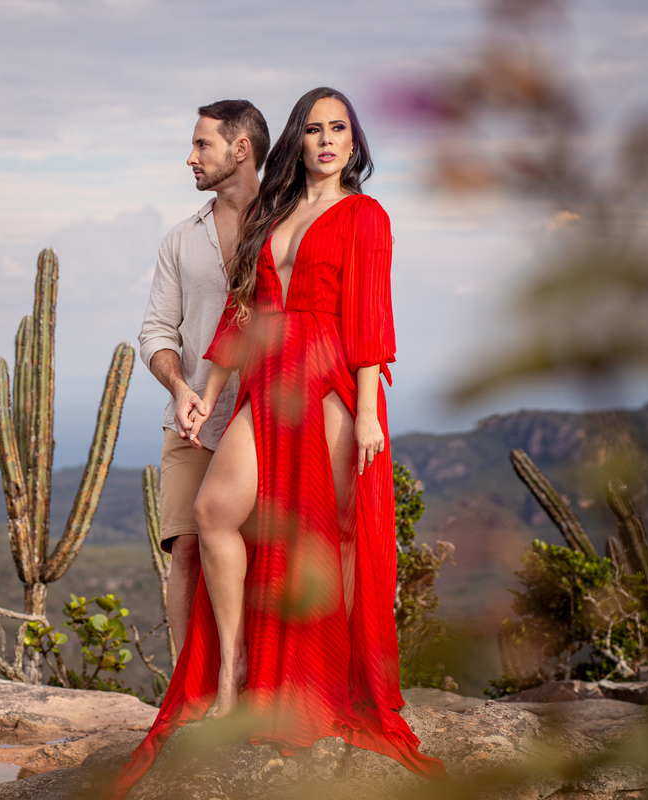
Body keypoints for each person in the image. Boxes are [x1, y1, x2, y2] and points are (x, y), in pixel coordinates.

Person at [108, 88, 446, 799]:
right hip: (269, 376)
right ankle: (233, 670)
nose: (328, 140)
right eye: (315, 129)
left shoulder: (365, 215)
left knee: (330, 538)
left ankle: (334, 681)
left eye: (340, 129)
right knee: (215, 512)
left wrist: (369, 413)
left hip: (327, 380)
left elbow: (368, 318)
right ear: (297, 138)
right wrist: (203, 387)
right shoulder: (276, 210)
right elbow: (245, 312)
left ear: (355, 141)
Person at [138, 99, 269, 647]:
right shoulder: (180, 239)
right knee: (187, 551)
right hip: (193, 422)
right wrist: (180, 388)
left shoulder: (288, 224)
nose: (190, 158)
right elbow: (155, 332)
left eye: (201, 145)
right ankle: (186, 695)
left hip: (266, 415)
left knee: (269, 555)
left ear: (241, 150)